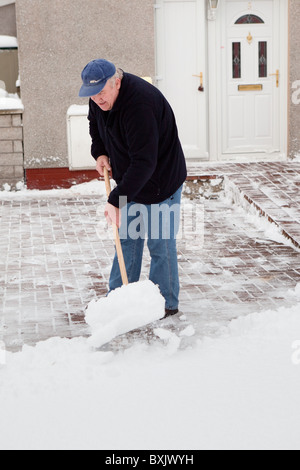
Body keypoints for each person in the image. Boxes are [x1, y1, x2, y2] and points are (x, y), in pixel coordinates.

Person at [79, 59, 187, 317]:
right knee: (127, 239)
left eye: (101, 93)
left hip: (161, 181)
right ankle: (118, 300)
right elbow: (96, 127)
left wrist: (116, 199)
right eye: (92, 95)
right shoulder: (98, 97)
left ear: (116, 82)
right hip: (132, 179)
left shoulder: (140, 104)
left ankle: (165, 304)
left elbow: (145, 162)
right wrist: (101, 153)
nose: (97, 100)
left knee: (160, 244)